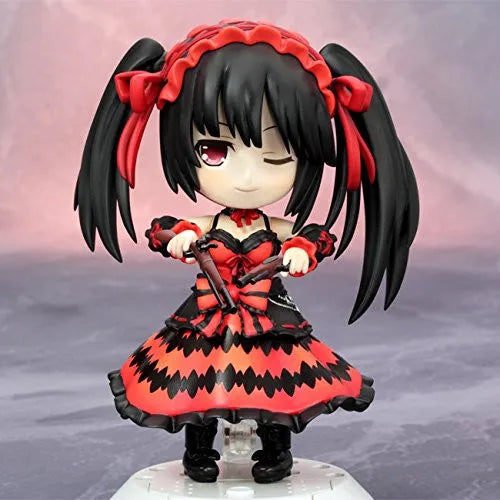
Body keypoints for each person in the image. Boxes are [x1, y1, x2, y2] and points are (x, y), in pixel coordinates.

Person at [74, 19, 419, 484]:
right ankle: (199, 450)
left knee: (275, 387)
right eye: (215, 151)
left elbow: (315, 235)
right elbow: (165, 228)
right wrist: (177, 238)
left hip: (267, 322)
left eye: (277, 156)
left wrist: (302, 251)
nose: (248, 178)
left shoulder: (273, 228)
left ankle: (277, 450)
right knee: (196, 386)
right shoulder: (210, 225)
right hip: (206, 321)